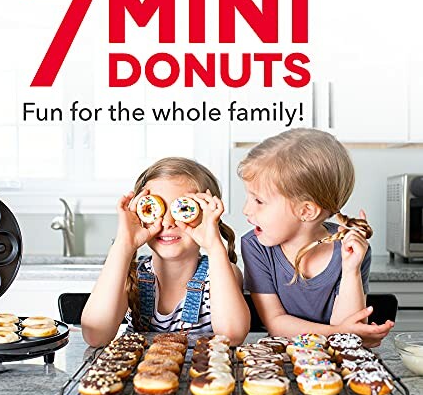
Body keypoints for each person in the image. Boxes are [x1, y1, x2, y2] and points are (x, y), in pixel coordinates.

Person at [239, 128, 394, 347]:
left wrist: (351, 270)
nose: (246, 210)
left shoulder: (351, 251)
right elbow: (276, 323)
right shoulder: (255, 246)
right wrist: (337, 332)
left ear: (306, 211)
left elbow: (348, 332)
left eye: (259, 201)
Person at [81, 157, 250, 346]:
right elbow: (96, 336)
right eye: (153, 209)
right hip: (139, 374)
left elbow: (232, 336)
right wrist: (124, 243)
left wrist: (214, 244)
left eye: (183, 208)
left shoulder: (221, 273)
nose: (168, 222)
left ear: (208, 215)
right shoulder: (132, 276)